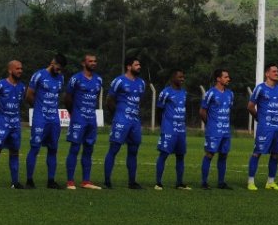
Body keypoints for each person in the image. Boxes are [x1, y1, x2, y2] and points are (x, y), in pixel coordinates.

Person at [26, 53, 66, 189]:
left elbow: (57, 95)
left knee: (53, 149)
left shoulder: (61, 78)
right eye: (58, 67)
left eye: (61, 69)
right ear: (52, 63)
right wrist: (38, 108)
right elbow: (29, 94)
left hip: (54, 118)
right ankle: (29, 180)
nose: (59, 71)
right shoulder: (39, 75)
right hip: (40, 117)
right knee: (35, 147)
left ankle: (51, 180)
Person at [104, 56, 145, 189]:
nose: (139, 67)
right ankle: (107, 181)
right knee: (114, 149)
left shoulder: (141, 83)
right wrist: (117, 115)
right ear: (128, 66)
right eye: (136, 64)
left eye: (139, 65)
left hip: (135, 121)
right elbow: (109, 100)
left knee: (133, 151)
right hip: (121, 119)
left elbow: (139, 100)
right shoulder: (119, 81)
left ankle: (132, 182)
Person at [64, 54, 103, 189]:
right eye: (90, 61)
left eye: (95, 61)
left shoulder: (98, 79)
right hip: (78, 118)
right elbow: (68, 97)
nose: (93, 63)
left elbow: (96, 96)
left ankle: (86, 181)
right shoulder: (75, 79)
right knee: (74, 148)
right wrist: (73, 113)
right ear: (83, 63)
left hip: (91, 118)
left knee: (89, 149)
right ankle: (70, 181)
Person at [0, 60, 26, 189]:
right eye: (17, 68)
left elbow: (20, 103)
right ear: (10, 70)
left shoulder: (22, 87)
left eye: (21, 69)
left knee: (14, 151)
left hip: (15, 123)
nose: (20, 71)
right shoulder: (0, 85)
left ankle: (15, 182)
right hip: (2, 122)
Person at [248, 63, 278, 191]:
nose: (276, 73)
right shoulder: (260, 88)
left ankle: (270, 182)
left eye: (277, 71)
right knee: (257, 153)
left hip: (277, 127)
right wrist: (259, 118)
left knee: (276, 154)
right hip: (265, 127)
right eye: (274, 71)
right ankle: (251, 182)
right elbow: (250, 106)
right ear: (267, 73)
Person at [154, 70, 190, 190]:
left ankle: (179, 183)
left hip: (181, 130)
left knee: (180, 156)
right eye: (180, 77)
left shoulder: (184, 93)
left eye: (183, 77)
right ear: (173, 78)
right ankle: (158, 183)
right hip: (169, 129)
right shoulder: (165, 92)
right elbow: (159, 109)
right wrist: (163, 125)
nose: (182, 79)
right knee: (164, 154)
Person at [199, 69, 234, 189]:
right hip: (214, 130)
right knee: (209, 154)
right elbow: (202, 111)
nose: (228, 79)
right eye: (225, 77)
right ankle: (204, 182)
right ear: (218, 79)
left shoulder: (230, 94)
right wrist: (209, 124)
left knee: (224, 155)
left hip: (226, 130)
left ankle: (221, 182)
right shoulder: (211, 93)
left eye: (228, 77)